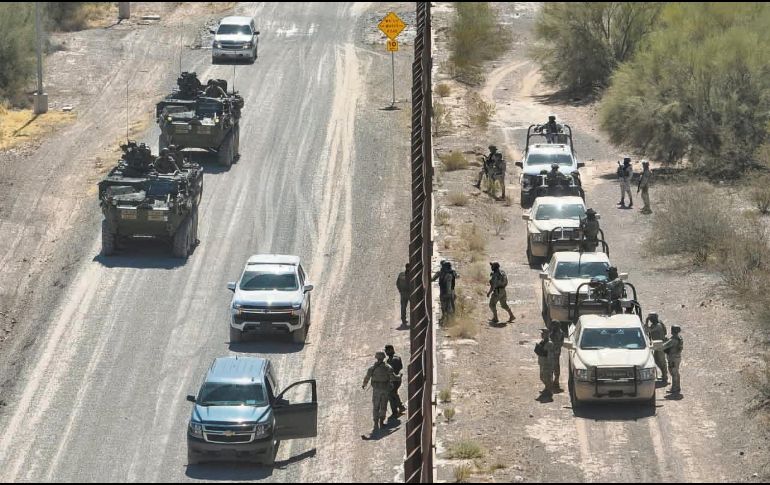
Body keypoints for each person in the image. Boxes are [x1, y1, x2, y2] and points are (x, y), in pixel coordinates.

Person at [362, 351, 397, 433]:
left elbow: (367, 377)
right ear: (384, 357)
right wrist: (399, 377)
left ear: (376, 357)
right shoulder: (388, 367)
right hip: (385, 389)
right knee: (383, 406)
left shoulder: (372, 368)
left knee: (376, 406)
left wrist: (364, 384)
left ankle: (375, 424)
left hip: (376, 390)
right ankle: (381, 422)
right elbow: (394, 377)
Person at [644, 312, 668, 384]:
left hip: (660, 345)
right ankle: (664, 375)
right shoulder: (655, 324)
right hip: (657, 344)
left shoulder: (658, 325)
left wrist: (646, 321)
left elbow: (647, 331)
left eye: (651, 318)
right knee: (657, 360)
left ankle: (665, 377)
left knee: (662, 361)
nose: (650, 320)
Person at [384, 345, 407, 420]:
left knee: (391, 394)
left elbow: (392, 371)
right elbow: (400, 368)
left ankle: (398, 409)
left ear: (391, 350)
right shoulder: (397, 358)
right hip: (397, 379)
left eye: (387, 350)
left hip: (394, 380)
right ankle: (398, 409)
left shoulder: (391, 360)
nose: (386, 352)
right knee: (393, 394)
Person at [661, 325, 683, 395]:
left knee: (673, 373)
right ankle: (677, 387)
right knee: (676, 372)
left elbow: (663, 346)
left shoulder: (673, 340)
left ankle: (674, 388)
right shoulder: (679, 338)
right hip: (677, 357)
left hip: (672, 358)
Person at [535, 328, 556, 399]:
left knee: (547, 377)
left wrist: (539, 348)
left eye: (543, 333)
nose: (541, 334)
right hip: (542, 362)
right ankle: (547, 388)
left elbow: (545, 352)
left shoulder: (549, 343)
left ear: (547, 334)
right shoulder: (543, 341)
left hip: (547, 363)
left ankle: (549, 391)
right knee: (542, 377)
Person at [549, 321, 565, 392]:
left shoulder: (555, 333)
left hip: (554, 352)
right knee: (556, 366)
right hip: (556, 352)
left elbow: (553, 342)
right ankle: (556, 381)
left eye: (553, 325)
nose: (551, 327)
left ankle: (554, 381)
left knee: (553, 367)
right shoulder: (560, 332)